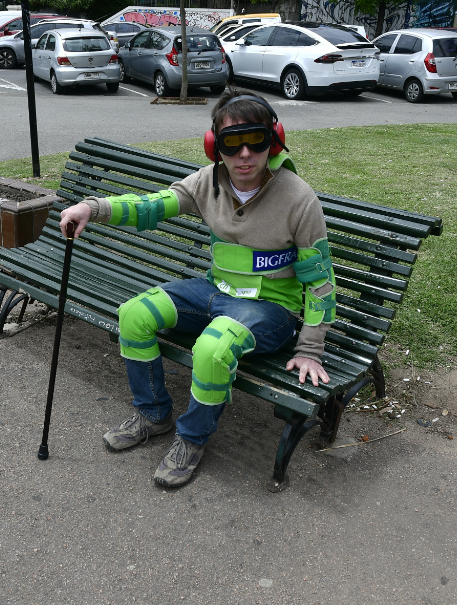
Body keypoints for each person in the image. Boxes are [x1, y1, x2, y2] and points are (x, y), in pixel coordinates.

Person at [58, 89, 336, 488]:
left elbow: (321, 281)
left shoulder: (299, 199)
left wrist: (310, 349)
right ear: (214, 146)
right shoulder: (208, 181)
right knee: (135, 314)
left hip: (271, 309)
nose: (244, 154)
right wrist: (92, 208)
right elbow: (152, 205)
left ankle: (191, 439)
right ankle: (153, 415)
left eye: (255, 140)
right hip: (215, 291)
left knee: (212, 348)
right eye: (231, 142)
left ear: (273, 140)